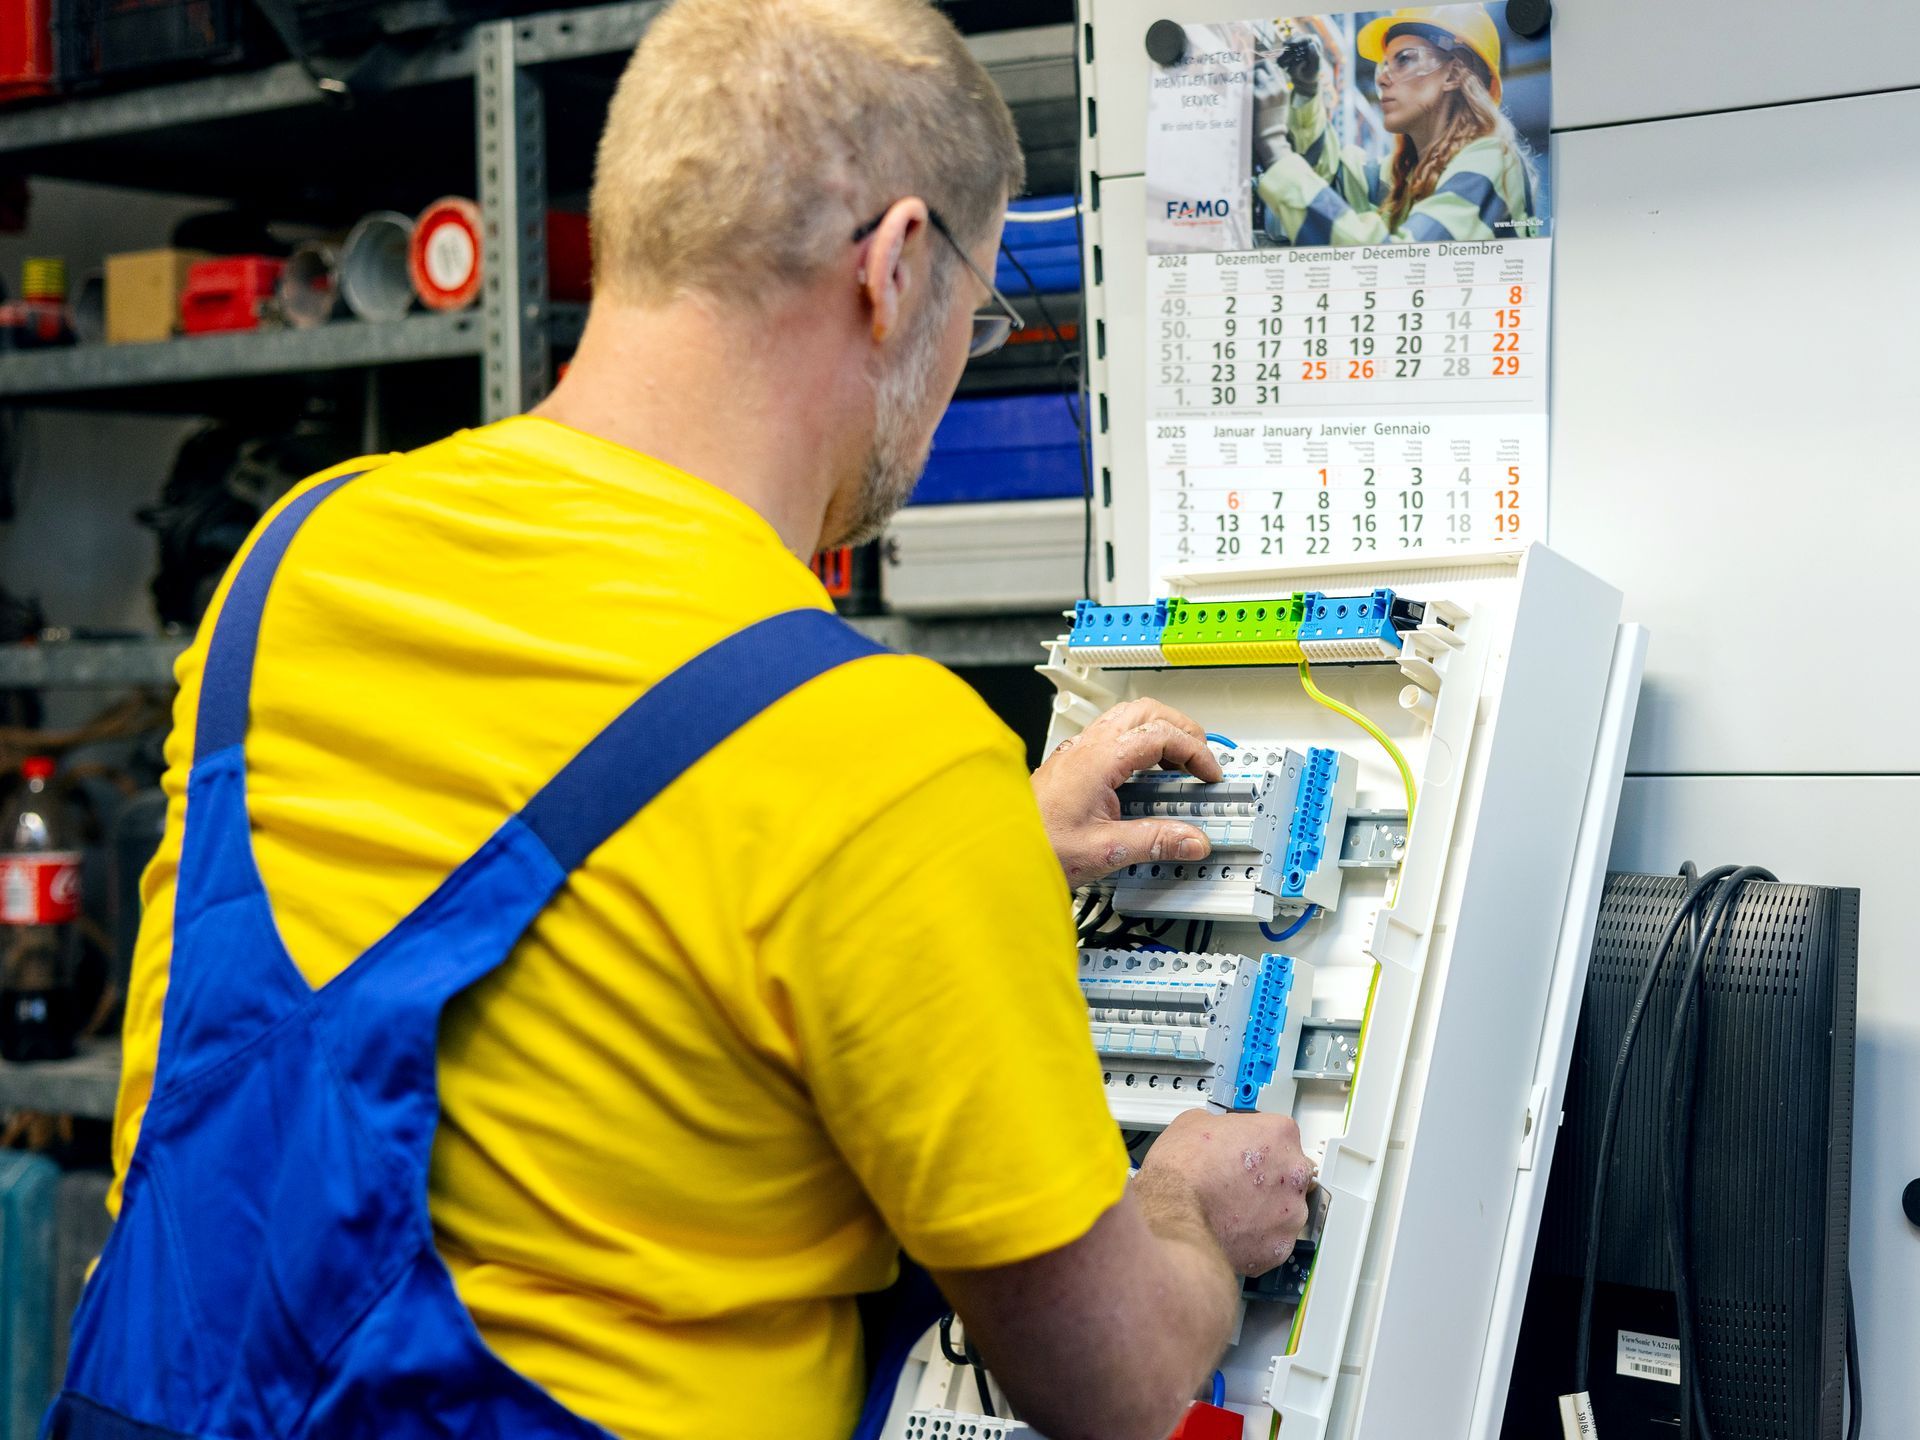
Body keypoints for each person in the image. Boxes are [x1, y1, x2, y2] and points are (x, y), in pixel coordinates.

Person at [49, 3, 1312, 1440]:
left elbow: (557, 930)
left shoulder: (298, 558)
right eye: (979, 315)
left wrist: (966, 868)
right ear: (895, 267)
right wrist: (1190, 1209)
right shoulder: (878, 750)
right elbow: (1112, 1385)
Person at [1255, 5, 1540, 247]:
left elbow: (1399, 264)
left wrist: (1275, 146)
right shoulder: (1404, 174)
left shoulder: (1491, 161)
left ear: (1454, 73)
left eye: (1404, 59)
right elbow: (1330, 179)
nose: (1382, 79)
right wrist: (1306, 90)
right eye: (1384, 65)